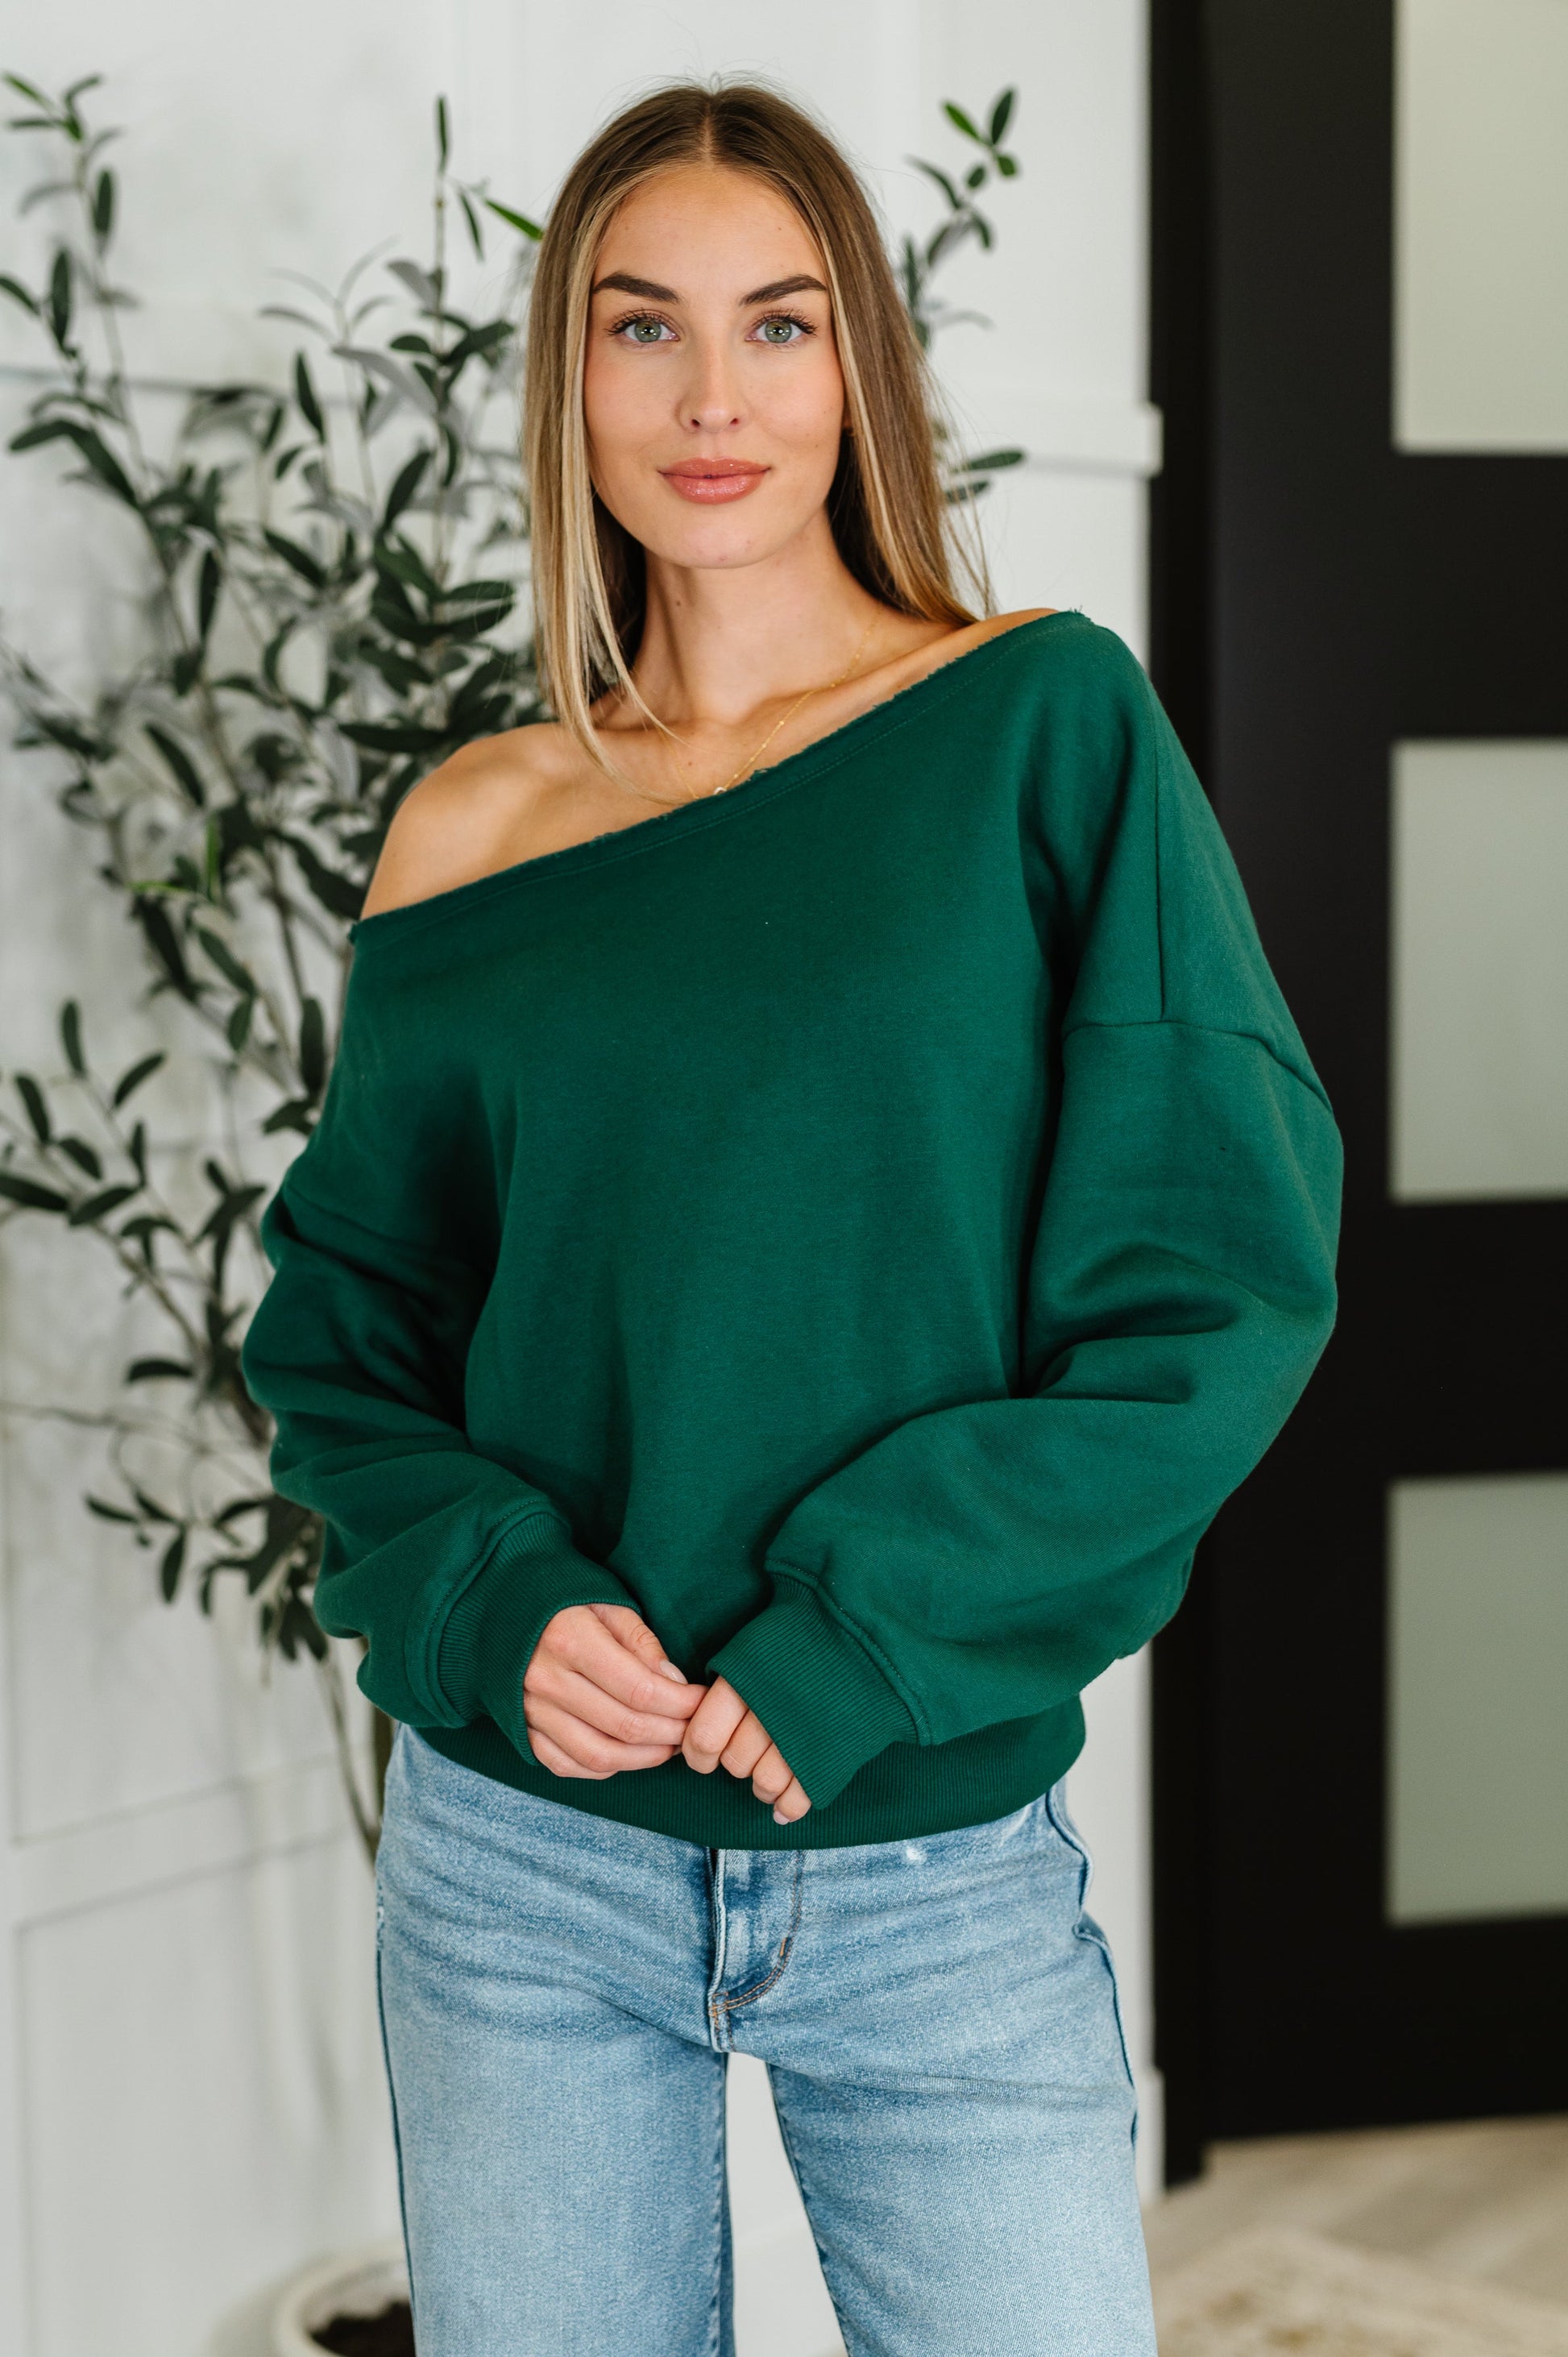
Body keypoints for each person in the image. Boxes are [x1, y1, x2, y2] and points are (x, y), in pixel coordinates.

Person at [242, 77, 1341, 2357]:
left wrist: (863, 1627)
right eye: (643, 328)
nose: (711, 399)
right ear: (570, 379)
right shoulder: (473, 826)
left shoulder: (1042, 725)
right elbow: (348, 1333)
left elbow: (1211, 1284)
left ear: (862, 372)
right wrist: (491, 1594)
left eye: (780, 323)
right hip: (522, 1870)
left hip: (929, 1867)